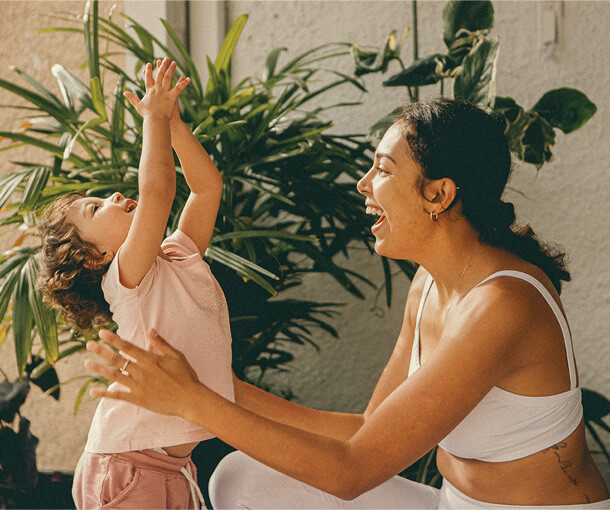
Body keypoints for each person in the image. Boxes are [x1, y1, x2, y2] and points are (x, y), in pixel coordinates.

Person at [85, 97, 610, 509]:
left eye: (381, 169)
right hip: (453, 503)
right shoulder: (428, 286)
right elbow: (368, 428)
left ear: (439, 194)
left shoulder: (501, 305)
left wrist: (195, 403)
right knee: (241, 479)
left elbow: (353, 469)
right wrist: (213, 387)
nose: (363, 185)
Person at [38, 58, 234, 509]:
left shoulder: (179, 256)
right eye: (94, 208)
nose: (113, 196)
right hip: (129, 466)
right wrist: (152, 121)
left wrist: (174, 124)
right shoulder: (127, 278)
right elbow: (159, 191)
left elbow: (206, 190)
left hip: (166, 467)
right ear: (94, 258)